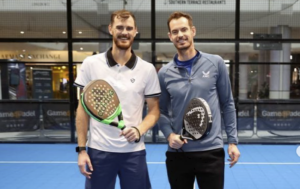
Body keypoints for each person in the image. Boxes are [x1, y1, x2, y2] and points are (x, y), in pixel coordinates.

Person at [74, 9, 161, 189]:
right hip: (99, 152)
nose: (124, 32)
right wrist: (82, 150)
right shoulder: (91, 64)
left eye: (129, 28)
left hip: (134, 153)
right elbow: (83, 109)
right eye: (119, 27)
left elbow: (154, 110)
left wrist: (139, 129)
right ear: (111, 29)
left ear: (135, 31)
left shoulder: (147, 69)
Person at [157, 12, 240, 189]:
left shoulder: (216, 63)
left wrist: (232, 141)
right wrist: (169, 135)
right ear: (170, 36)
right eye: (175, 31)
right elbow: (161, 111)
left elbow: (227, 103)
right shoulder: (164, 73)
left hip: (211, 152)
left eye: (184, 29)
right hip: (178, 154)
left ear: (193, 31)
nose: (180, 35)